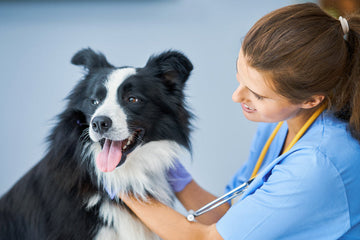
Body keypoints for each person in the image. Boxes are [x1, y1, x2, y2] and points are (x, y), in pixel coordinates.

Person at [120, 3, 360, 239]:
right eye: (239, 74)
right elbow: (232, 218)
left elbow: (207, 238)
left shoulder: (318, 165)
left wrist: (121, 186)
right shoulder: (279, 125)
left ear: (310, 100)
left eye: (258, 94)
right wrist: (173, 174)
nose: (236, 96)